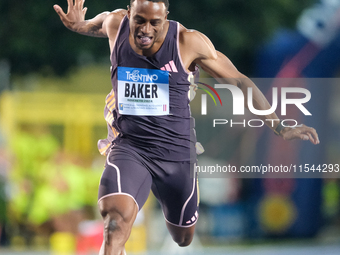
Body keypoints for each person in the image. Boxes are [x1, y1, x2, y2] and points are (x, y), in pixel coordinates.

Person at [53, 0, 320, 254]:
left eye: (155, 23)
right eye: (139, 21)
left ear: (166, 18)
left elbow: (239, 81)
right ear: (128, 14)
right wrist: (78, 25)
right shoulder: (116, 24)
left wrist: (278, 126)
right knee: (115, 222)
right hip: (129, 147)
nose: (146, 30)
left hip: (176, 153)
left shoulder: (188, 42)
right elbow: (95, 24)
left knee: (183, 237)